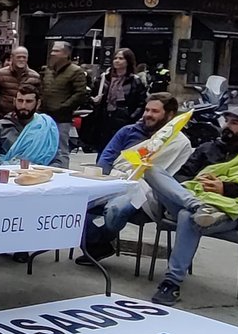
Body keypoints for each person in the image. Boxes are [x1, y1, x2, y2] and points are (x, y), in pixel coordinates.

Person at [143, 106, 238, 306]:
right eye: (227, 121)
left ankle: (171, 284)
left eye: (234, 123)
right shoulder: (208, 148)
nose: (227, 127)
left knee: (186, 217)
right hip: (193, 198)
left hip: (227, 214)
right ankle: (196, 205)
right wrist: (198, 182)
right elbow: (182, 176)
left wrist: (225, 187)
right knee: (150, 170)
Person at [82, 93, 193, 262]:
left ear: (170, 115)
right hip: (114, 180)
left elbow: (173, 175)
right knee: (77, 203)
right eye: (147, 110)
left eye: (155, 111)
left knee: (115, 210)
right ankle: (98, 245)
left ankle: (99, 243)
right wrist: (102, 182)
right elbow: (106, 159)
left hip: (145, 191)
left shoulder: (180, 142)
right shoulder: (127, 131)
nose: (148, 114)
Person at [0, 83, 67, 167]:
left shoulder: (48, 127)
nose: (23, 106)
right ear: (14, 101)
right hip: (5, 177)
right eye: (20, 101)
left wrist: (42, 174)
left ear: (38, 103)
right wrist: (1, 173)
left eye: (29, 101)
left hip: (40, 178)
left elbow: (58, 159)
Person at [91, 48, 147, 155]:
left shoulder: (135, 81)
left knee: (120, 149)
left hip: (123, 119)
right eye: (115, 58)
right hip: (105, 119)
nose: (117, 61)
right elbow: (93, 95)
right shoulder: (104, 78)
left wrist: (131, 117)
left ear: (128, 61)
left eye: (121, 58)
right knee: (103, 149)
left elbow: (141, 103)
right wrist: (94, 100)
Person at [40, 40, 89, 126]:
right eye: (52, 50)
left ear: (66, 54)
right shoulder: (48, 70)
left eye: (56, 51)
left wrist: (61, 107)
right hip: (44, 117)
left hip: (62, 119)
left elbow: (80, 94)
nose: (52, 53)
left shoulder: (76, 71)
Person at [0, 45, 41, 120]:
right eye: (18, 57)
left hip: (26, 117)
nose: (21, 59)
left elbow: (39, 98)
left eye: (24, 57)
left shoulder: (35, 77)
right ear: (12, 58)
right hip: (2, 116)